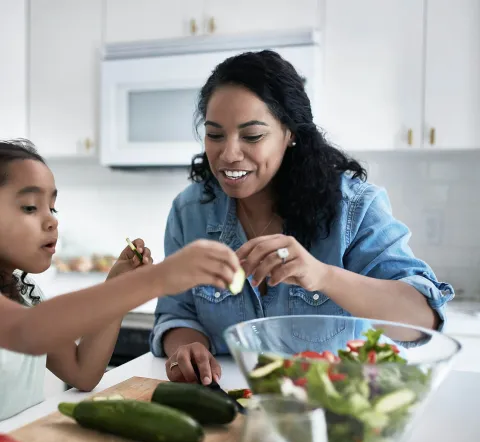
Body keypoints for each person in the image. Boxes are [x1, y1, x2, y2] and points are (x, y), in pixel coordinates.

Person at [150, 50, 454, 386]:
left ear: (290, 133)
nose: (228, 154)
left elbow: (421, 320)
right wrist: (188, 345)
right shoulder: (189, 212)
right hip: (226, 406)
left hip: (333, 410)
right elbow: (176, 313)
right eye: (215, 135)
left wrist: (323, 276)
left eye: (252, 136)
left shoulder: (354, 208)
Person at [0, 139, 241, 420]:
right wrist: (156, 279)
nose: (52, 221)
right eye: (30, 207)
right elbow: (25, 330)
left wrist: (116, 285)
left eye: (52, 208)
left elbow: (82, 372)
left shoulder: (26, 294)